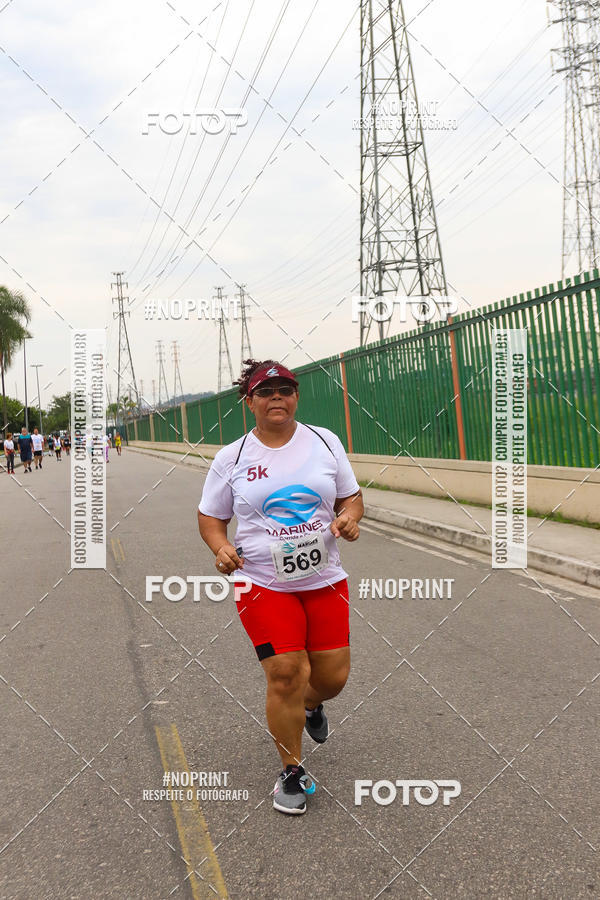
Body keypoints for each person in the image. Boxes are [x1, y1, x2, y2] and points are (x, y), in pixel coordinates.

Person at [198, 359, 364, 816]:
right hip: (262, 583)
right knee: (287, 673)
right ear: (249, 401)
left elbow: (351, 495)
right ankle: (291, 770)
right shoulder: (231, 457)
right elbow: (212, 516)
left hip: (324, 578)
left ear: (296, 397)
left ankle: (310, 705)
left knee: (330, 678)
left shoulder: (325, 441)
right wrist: (220, 546)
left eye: (286, 389)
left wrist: (349, 517)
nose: (278, 397)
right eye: (266, 390)